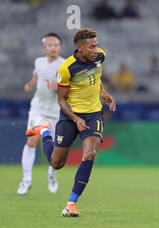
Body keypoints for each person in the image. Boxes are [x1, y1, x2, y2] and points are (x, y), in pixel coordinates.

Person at [26, 28, 116, 217]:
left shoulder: (100, 57)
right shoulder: (67, 68)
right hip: (70, 115)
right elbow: (62, 100)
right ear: (80, 48)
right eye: (92, 47)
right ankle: (44, 132)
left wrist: (103, 92)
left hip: (92, 115)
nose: (96, 50)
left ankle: (71, 204)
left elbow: (96, 75)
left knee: (90, 153)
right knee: (56, 164)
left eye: (96, 45)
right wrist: (76, 118)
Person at [18, 33, 65, 195]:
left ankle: (52, 174)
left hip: (55, 112)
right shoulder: (39, 61)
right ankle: (26, 180)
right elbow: (37, 75)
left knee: (54, 149)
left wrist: (58, 88)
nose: (53, 47)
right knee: (32, 141)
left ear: (60, 47)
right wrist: (30, 84)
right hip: (38, 109)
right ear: (44, 48)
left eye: (56, 44)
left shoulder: (64, 65)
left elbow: (70, 90)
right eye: (50, 45)